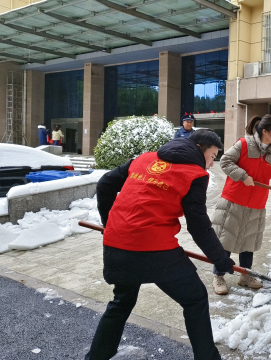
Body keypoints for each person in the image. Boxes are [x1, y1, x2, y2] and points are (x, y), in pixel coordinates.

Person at [84, 130, 235, 360]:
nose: (212, 164)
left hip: (116, 246)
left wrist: (110, 224)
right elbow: (198, 227)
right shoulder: (194, 174)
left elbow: (105, 183)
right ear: (200, 148)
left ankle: (96, 357)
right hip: (154, 251)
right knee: (195, 299)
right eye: (213, 156)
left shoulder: (145, 159)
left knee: (122, 301)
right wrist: (220, 259)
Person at [211, 115, 271, 295]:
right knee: (226, 239)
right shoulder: (244, 145)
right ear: (265, 131)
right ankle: (219, 275)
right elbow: (225, 161)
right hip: (234, 200)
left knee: (249, 241)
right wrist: (242, 175)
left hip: (256, 203)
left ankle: (245, 275)